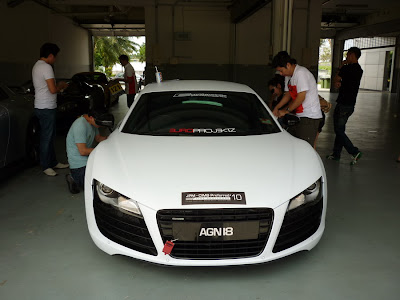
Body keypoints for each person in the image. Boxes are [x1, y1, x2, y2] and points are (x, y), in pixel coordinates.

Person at [32, 42, 69, 176]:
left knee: (49, 135)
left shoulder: (37, 66)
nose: (56, 59)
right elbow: (53, 89)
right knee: (47, 137)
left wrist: (56, 86)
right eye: (56, 56)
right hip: (46, 107)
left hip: (41, 106)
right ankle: (46, 165)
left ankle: (52, 162)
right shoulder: (46, 67)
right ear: (51, 55)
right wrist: (61, 86)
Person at [271, 51, 322, 147]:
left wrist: (286, 110)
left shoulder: (300, 73)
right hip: (298, 115)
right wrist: (277, 108)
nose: (281, 74)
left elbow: (301, 97)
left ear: (288, 65)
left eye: (281, 71)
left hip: (309, 117)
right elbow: (288, 95)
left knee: (305, 148)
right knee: (294, 145)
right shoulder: (289, 76)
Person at [326, 47, 363, 165]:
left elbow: (336, 78)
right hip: (351, 104)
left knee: (338, 130)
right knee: (340, 130)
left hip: (343, 103)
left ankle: (354, 151)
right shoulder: (359, 70)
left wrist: (341, 66)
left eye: (348, 55)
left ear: (352, 55)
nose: (346, 57)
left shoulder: (347, 68)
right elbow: (343, 82)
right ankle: (336, 154)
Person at [65, 110, 112, 194]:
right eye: (99, 125)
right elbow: (83, 151)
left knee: (105, 174)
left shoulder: (93, 123)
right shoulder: (80, 125)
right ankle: (73, 178)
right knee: (94, 187)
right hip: (78, 165)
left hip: (88, 158)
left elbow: (98, 138)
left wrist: (112, 138)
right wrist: (102, 151)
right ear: (91, 118)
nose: (99, 127)